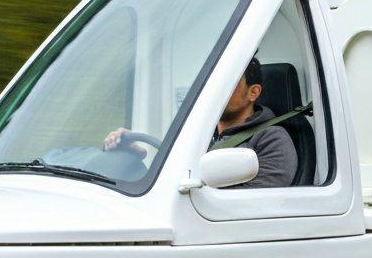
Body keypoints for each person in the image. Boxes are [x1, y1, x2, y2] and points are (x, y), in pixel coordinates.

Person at [104, 57, 298, 187]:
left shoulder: (273, 139)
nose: (215, 90)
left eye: (229, 82)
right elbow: (169, 185)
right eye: (213, 82)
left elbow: (256, 204)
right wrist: (136, 158)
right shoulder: (198, 132)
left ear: (253, 92)